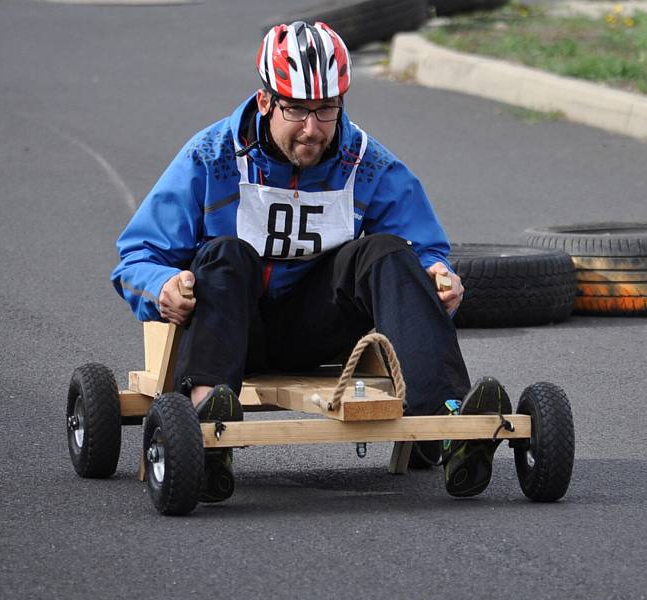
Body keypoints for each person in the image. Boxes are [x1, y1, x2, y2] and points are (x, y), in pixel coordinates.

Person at [111, 21, 510, 502]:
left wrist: (438, 276)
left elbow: (425, 247)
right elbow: (135, 259)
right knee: (225, 252)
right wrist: (163, 286)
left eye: (326, 111)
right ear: (265, 101)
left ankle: (448, 421)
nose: (312, 129)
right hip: (233, 327)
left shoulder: (367, 161)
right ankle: (209, 420)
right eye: (297, 110)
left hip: (321, 326)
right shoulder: (210, 157)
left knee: (386, 249)